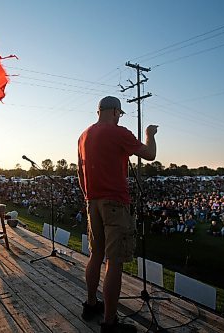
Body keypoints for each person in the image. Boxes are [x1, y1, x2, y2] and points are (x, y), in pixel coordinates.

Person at [78, 96, 158, 332]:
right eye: (120, 114)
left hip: (92, 201)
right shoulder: (119, 132)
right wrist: (149, 135)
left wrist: (89, 197)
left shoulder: (83, 135)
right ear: (115, 112)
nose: (119, 117)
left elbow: (80, 173)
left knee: (96, 255)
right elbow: (150, 154)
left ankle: (91, 304)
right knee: (114, 261)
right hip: (115, 203)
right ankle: (110, 323)